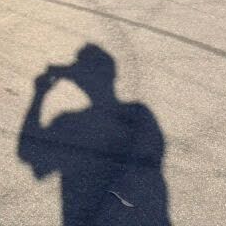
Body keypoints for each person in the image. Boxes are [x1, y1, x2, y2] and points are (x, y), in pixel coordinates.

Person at [18, 44, 171, 225]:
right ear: (113, 76)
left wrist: (39, 93)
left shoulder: (69, 122)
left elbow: (29, 154)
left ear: (80, 81)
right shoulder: (141, 114)